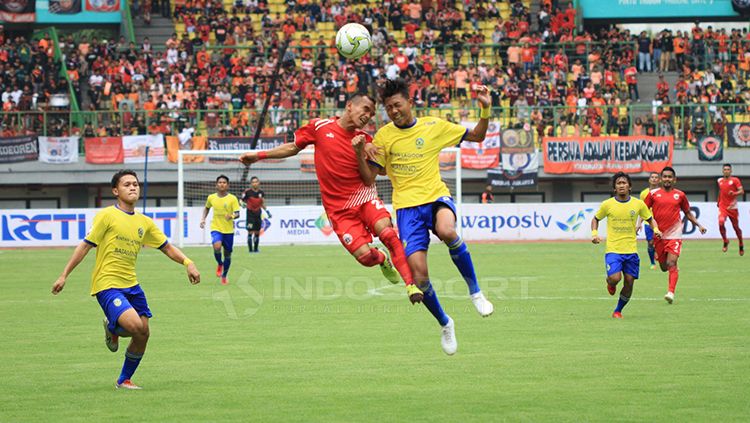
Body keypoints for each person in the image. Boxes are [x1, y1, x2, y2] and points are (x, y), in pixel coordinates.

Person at [239, 93, 424, 304]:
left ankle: (411, 285)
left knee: (389, 234)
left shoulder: (367, 141)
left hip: (364, 198)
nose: (367, 116)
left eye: (371, 114)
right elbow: (293, 147)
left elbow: (369, 178)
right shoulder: (320, 127)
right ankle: (382, 259)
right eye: (364, 109)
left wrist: (361, 151)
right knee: (366, 258)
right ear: (349, 106)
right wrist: (258, 156)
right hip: (339, 211)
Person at [356, 78, 494, 356]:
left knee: (447, 231)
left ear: (409, 101)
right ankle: (445, 322)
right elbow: (370, 176)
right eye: (388, 108)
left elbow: (477, 136)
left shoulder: (433, 126)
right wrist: (360, 152)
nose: (393, 111)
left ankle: (476, 292)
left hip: (435, 198)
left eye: (397, 105)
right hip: (407, 210)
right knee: (420, 277)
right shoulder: (383, 136)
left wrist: (485, 109)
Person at [51, 170, 200, 390]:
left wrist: (188, 262)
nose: (133, 187)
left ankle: (124, 380)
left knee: (144, 333)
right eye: (127, 184)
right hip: (107, 283)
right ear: (116, 191)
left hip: (132, 284)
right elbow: (85, 245)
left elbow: (166, 247)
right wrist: (64, 275)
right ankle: (113, 328)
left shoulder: (144, 222)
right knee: (134, 326)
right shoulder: (106, 216)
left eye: (135, 184)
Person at [591, 172, 660, 319]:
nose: (621, 185)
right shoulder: (607, 204)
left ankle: (618, 311)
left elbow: (650, 218)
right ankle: (610, 282)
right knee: (615, 278)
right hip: (613, 250)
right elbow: (595, 219)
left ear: (629, 186)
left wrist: (656, 229)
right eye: (618, 183)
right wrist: (594, 234)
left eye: (624, 183)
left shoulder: (638, 204)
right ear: (614, 188)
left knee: (629, 282)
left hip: (631, 250)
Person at [644, 167, 707, 304]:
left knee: (671, 262)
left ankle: (671, 292)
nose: (667, 179)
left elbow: (688, 213)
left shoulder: (680, 195)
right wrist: (638, 225)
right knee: (663, 267)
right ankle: (665, 263)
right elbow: (644, 211)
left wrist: (699, 225)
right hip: (659, 235)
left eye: (670, 177)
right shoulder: (653, 193)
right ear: (661, 179)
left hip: (674, 234)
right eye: (665, 176)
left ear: (674, 179)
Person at [200, 175, 240, 285]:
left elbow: (237, 214)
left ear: (228, 185)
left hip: (228, 231)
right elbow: (207, 208)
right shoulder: (211, 197)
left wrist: (231, 216)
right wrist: (203, 219)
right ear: (216, 185)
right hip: (216, 228)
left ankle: (224, 275)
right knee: (217, 246)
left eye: (224, 182)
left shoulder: (232, 198)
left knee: (227, 254)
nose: (222, 184)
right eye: (220, 182)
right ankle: (219, 263)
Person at [717, 163, 744, 255]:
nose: (726, 171)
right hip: (723, 206)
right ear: (722, 171)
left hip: (732, 207)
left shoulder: (735, 180)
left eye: (728, 169)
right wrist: (718, 202)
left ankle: (740, 243)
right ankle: (725, 241)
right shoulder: (720, 181)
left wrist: (734, 193)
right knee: (721, 222)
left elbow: (742, 191)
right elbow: (721, 192)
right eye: (725, 169)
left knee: (736, 227)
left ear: (731, 171)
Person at [636, 172, 661, 269]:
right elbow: (642, 209)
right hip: (648, 222)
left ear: (659, 180)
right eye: (652, 177)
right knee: (650, 242)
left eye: (656, 177)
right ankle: (652, 263)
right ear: (649, 179)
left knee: (662, 242)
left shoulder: (662, 192)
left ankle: (664, 259)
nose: (654, 179)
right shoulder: (644, 193)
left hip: (660, 221)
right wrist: (639, 223)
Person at [241, 176, 271, 253]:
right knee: (250, 232)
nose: (254, 183)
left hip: (258, 214)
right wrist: (242, 204)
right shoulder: (247, 192)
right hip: (250, 214)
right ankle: (250, 250)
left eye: (256, 182)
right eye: (253, 182)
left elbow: (262, 203)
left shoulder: (261, 193)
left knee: (257, 232)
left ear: (258, 183)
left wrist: (267, 211)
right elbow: (241, 201)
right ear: (251, 183)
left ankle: (256, 249)